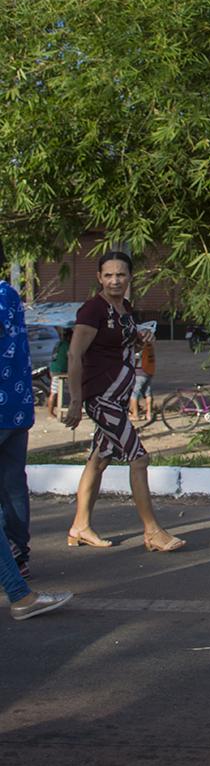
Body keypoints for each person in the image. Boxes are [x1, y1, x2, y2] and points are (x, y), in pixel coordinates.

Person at [63, 251, 185, 552]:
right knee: (139, 457)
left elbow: (121, 344)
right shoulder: (92, 310)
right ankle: (153, 532)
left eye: (120, 275)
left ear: (130, 277)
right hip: (101, 397)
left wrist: (141, 336)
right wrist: (76, 401)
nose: (115, 280)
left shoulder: (126, 310)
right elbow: (74, 355)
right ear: (99, 278)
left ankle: (79, 526)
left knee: (99, 460)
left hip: (118, 398)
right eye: (108, 275)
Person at [0, 241, 35, 577]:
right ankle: (18, 554)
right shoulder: (10, 295)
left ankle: (8, 559)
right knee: (12, 483)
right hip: (17, 406)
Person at [129, 328, 156, 426]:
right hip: (149, 372)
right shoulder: (150, 346)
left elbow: (134, 359)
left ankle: (135, 415)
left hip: (139, 373)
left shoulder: (141, 347)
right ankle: (149, 413)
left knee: (134, 394)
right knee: (148, 393)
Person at [47, 327, 72, 418]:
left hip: (53, 369)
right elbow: (71, 357)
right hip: (59, 371)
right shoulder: (67, 346)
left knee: (54, 391)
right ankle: (50, 413)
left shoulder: (58, 344)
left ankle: (52, 412)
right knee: (54, 392)